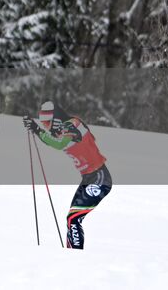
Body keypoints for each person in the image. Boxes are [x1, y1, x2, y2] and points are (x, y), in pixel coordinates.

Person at [24, 101, 112, 249]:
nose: (46, 126)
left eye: (47, 123)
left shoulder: (73, 124)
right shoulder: (62, 130)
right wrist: (35, 127)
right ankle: (71, 252)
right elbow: (54, 139)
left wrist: (37, 129)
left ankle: (75, 256)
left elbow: (59, 144)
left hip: (99, 178)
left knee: (73, 218)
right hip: (89, 179)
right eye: (44, 124)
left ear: (56, 119)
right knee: (71, 219)